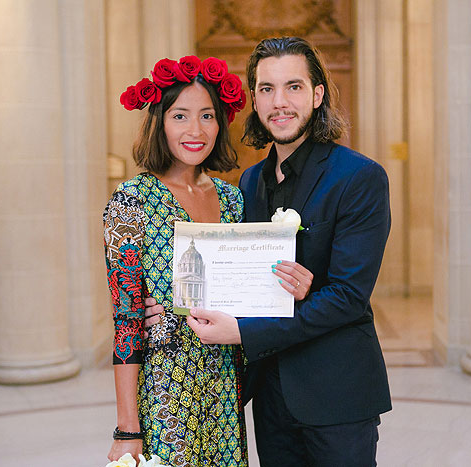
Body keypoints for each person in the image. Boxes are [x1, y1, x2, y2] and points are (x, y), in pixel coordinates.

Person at [146, 37, 392, 467]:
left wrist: (247, 331)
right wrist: (167, 306)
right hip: (269, 396)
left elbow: (349, 298)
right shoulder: (248, 183)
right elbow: (233, 277)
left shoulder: (360, 177)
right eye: (266, 89)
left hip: (336, 394)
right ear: (255, 102)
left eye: (293, 87)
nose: (280, 102)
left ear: (317, 95)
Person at [103, 55, 251, 467]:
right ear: (159, 123)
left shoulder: (233, 200)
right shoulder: (130, 202)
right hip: (164, 392)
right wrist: (127, 429)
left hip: (223, 389)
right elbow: (126, 321)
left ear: (220, 123)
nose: (195, 130)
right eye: (180, 115)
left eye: (207, 115)